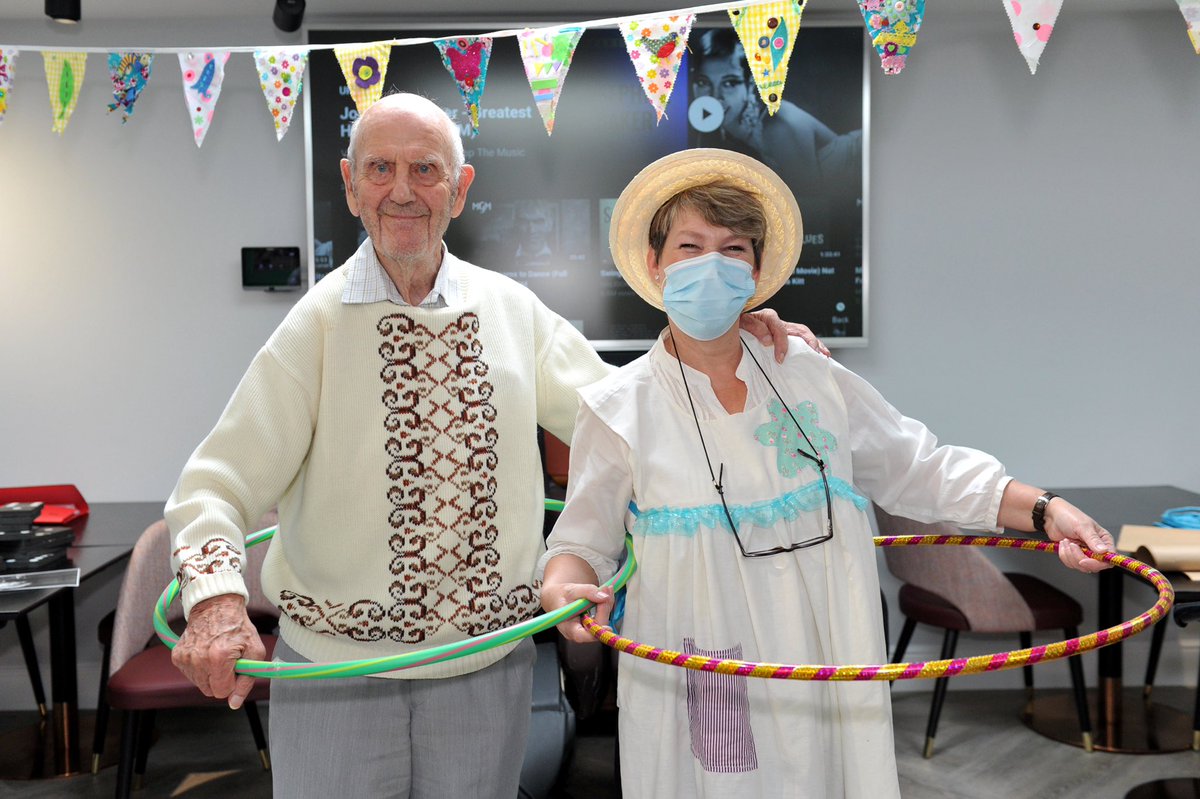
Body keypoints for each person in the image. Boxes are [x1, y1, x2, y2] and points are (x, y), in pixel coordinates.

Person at [165, 93, 822, 798]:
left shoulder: (513, 311)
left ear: (461, 187)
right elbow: (215, 484)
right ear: (350, 184)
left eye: (425, 169)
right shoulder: (313, 327)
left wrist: (729, 341)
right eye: (380, 168)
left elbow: (632, 420)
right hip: (336, 677)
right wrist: (215, 605)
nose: (402, 190)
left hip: (486, 670)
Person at [538, 148, 1115, 798]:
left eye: (732, 250)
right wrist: (564, 594)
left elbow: (920, 469)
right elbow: (580, 545)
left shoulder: (811, 375)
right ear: (654, 263)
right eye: (689, 245)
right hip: (703, 675)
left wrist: (1046, 510)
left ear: (755, 270)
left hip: (830, 667)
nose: (710, 265)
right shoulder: (618, 410)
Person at [689, 28, 861, 201]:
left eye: (729, 83)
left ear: (750, 85)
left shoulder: (776, 126)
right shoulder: (723, 128)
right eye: (703, 82)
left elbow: (815, 214)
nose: (715, 96)